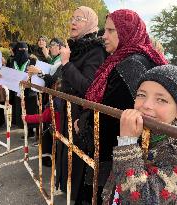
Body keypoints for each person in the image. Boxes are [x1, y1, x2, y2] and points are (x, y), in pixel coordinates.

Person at [76, 9, 168, 204]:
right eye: (104, 30)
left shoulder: (129, 64)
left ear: (127, 32)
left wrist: (83, 124)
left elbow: (110, 116)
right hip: (127, 155)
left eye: (111, 31)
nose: (103, 36)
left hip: (114, 158)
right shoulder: (133, 58)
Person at [102, 65, 177, 205]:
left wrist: (127, 143)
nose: (146, 105)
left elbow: (143, 199)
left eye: (161, 100)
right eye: (141, 95)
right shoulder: (137, 131)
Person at [55, 6, 107, 203]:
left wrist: (67, 64)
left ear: (91, 23)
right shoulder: (74, 47)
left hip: (80, 118)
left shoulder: (96, 51)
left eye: (80, 19)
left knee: (77, 163)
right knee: (67, 157)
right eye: (73, 18)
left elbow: (88, 88)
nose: (73, 22)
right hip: (68, 113)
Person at [22, 78, 61, 167]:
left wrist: (26, 118)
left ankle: (48, 161)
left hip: (57, 132)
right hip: (67, 132)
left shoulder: (53, 104)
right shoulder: (71, 101)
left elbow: (42, 117)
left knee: (46, 140)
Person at [7, 41, 38, 137]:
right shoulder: (12, 61)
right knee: (22, 111)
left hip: (30, 92)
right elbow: (8, 73)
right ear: (16, 50)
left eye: (26, 49)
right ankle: (26, 130)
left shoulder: (32, 61)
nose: (23, 51)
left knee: (31, 111)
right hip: (17, 91)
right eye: (21, 49)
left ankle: (34, 132)